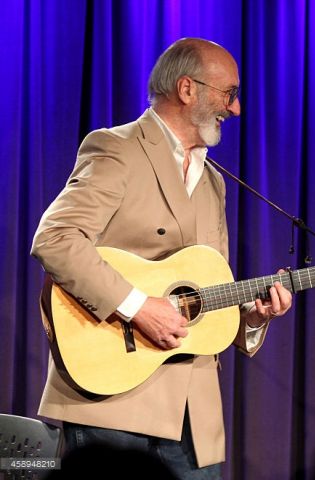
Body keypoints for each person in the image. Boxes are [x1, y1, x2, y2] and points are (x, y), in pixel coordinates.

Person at [30, 38, 292, 478]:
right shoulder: (118, 149)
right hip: (113, 401)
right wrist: (138, 307)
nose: (237, 108)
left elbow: (200, 294)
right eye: (229, 93)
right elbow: (56, 238)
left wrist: (252, 316)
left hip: (194, 415)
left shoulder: (213, 182)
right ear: (187, 89)